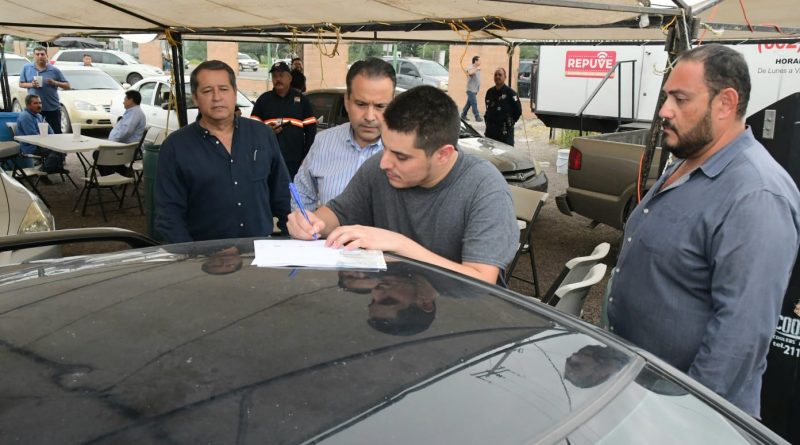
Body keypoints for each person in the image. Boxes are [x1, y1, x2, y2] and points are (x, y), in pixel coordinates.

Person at [606, 44, 800, 418]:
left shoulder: (756, 194)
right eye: (666, 97)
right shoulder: (688, 160)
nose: (664, 110)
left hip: (682, 417)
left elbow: (739, 338)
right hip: (638, 393)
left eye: (680, 99)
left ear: (725, 103)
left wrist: (687, 420)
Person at [287, 85, 518, 285]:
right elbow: (337, 213)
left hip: (464, 315)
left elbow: (481, 281)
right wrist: (313, 223)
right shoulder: (380, 168)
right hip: (394, 299)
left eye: (401, 156)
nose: (385, 162)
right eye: (385, 146)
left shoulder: (484, 188)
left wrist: (398, 245)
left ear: (443, 155)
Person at [155, 60, 291, 243]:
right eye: (207, 91)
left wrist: (291, 240)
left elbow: (283, 195)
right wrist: (192, 256)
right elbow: (169, 217)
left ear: (234, 93)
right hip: (203, 254)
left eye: (224, 89)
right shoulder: (175, 147)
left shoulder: (262, 134)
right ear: (195, 97)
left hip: (260, 251)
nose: (217, 97)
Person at [293, 57, 395, 210]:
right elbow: (301, 196)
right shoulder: (323, 143)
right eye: (361, 104)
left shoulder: (408, 151)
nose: (369, 117)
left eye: (380, 106)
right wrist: (305, 221)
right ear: (347, 101)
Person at [251, 61, 317, 178]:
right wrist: (266, 131)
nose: (278, 79)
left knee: (292, 189)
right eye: (274, 76)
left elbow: (311, 132)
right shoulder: (263, 100)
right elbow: (252, 129)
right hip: (269, 160)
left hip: (295, 162)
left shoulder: (301, 100)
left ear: (290, 78)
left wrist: (306, 157)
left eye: (281, 75)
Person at [19, 46, 70, 135]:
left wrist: (54, 82)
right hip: (34, 109)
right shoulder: (27, 68)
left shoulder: (54, 70)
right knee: (37, 134)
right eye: (37, 54)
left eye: (42, 54)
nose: (40, 56)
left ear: (47, 56)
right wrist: (31, 84)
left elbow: (67, 86)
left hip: (52, 108)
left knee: (55, 134)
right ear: (34, 56)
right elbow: (21, 84)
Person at [14, 94, 64, 175]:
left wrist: (53, 140)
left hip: (40, 144)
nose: (39, 105)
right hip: (30, 147)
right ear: (28, 105)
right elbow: (33, 136)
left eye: (40, 103)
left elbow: (50, 131)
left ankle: (53, 168)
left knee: (62, 147)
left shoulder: (38, 116)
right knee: (58, 150)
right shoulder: (25, 117)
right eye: (35, 103)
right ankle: (43, 171)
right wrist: (49, 141)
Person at [484, 67, 522, 146]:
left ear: (505, 77)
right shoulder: (490, 92)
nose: (497, 77)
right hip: (490, 132)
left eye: (500, 75)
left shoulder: (511, 93)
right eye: (495, 75)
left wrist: (510, 122)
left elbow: (518, 111)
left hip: (504, 134)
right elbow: (488, 109)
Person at [460, 55, 481, 122]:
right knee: (474, 103)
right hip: (470, 89)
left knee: (468, 104)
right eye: (479, 60)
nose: (480, 62)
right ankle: (477, 116)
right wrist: (476, 69)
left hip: (475, 90)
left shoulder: (477, 68)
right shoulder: (470, 67)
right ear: (475, 61)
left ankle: (463, 115)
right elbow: (470, 73)